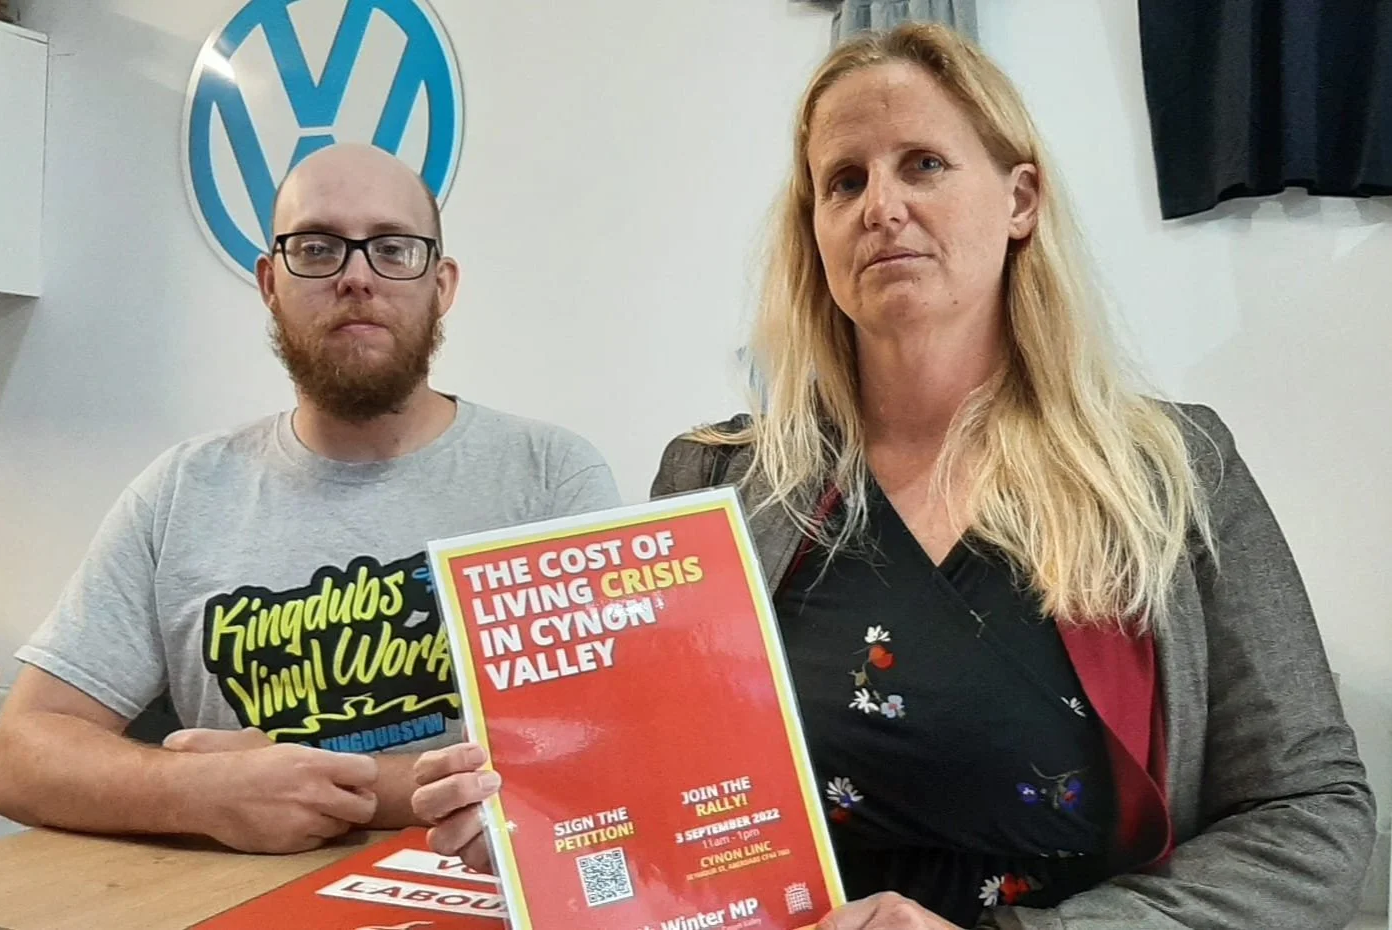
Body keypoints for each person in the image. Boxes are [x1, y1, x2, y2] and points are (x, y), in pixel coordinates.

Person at [410, 23, 1376, 930]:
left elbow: (1313, 819)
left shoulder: (1173, 473)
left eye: (923, 164)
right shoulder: (717, 481)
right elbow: (662, 816)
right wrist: (543, 831)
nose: (881, 206)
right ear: (815, 232)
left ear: (1019, 201)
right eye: (841, 181)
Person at [0, 143, 621, 855]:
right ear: (270, 282)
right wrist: (191, 791)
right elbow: (20, 753)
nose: (356, 277)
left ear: (441, 285)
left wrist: (341, 787)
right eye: (318, 248)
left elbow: (611, 747)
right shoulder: (181, 492)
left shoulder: (550, 479)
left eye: (392, 248)